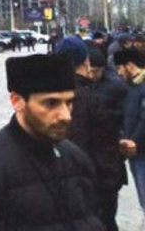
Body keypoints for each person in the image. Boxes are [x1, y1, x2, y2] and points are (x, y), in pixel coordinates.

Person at [0, 54, 104, 230]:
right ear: (17, 102)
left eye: (69, 103)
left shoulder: (76, 158)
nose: (66, 116)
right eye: (51, 103)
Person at [56, 36, 127, 230]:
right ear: (85, 61)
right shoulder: (79, 96)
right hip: (94, 187)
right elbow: (77, 144)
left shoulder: (58, 94)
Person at [114, 49, 145, 217]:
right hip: (136, 152)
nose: (118, 73)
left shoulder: (141, 86)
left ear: (130, 66)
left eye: (120, 68)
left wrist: (133, 140)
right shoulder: (132, 85)